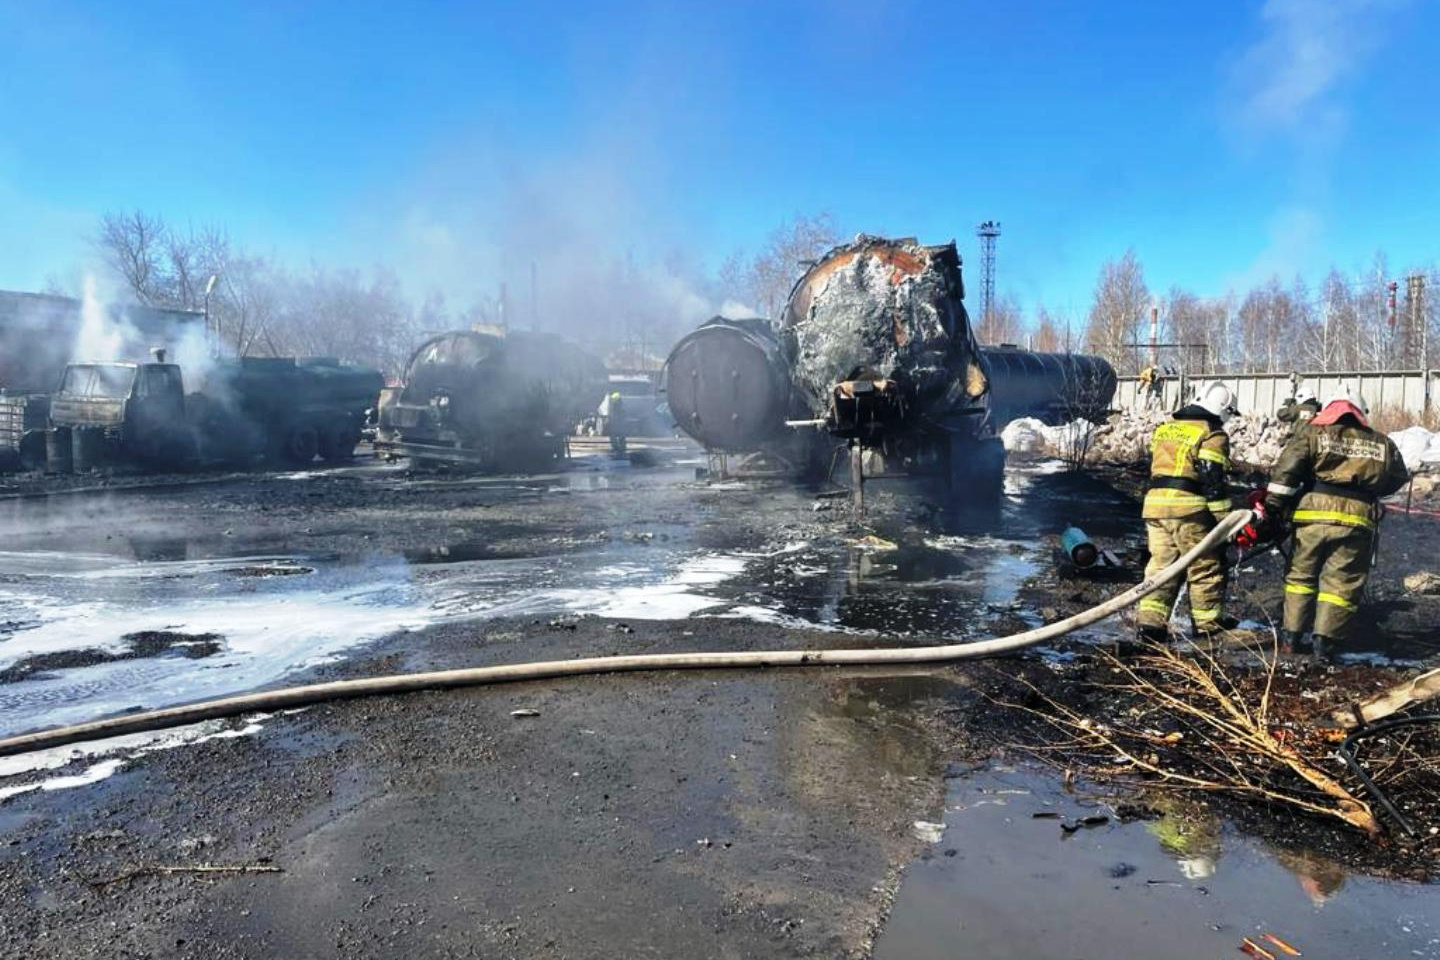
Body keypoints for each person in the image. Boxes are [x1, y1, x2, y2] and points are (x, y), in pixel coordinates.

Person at [1258, 385, 1408, 661]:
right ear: (1360, 412)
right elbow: (1398, 477)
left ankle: (1291, 638)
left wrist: (1273, 509)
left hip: (1312, 515)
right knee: (1341, 583)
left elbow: (1287, 470)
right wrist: (1369, 491)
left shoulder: (1312, 433)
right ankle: (1324, 645)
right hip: (1358, 519)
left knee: (1300, 577)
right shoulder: (1382, 442)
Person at [1137, 380, 1240, 641]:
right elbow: (1212, 478)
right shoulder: (1212, 434)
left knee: (1160, 566)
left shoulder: (1166, 429)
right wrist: (1225, 522)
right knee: (1204, 566)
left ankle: (1150, 626)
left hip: (1155, 507)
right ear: (1224, 410)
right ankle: (1208, 627)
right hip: (1189, 510)